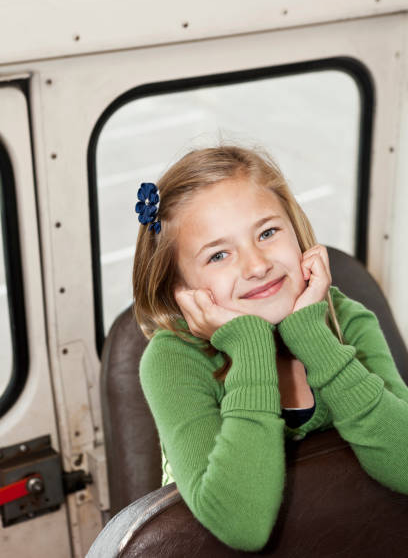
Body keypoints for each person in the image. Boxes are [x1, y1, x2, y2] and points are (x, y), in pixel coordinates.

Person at [133, 145, 408, 552]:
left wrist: (312, 336)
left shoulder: (345, 318)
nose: (257, 265)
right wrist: (249, 345)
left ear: (297, 231)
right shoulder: (173, 360)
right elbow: (241, 524)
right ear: (183, 292)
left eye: (267, 233)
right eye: (219, 255)